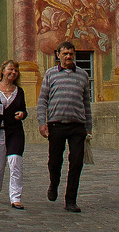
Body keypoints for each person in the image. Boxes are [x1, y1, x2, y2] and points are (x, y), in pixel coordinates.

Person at [36, 41, 92, 212]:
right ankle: (54, 183)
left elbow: (86, 103)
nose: (68, 56)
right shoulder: (50, 74)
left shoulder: (82, 75)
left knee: (76, 163)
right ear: (58, 55)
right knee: (54, 161)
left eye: (71, 53)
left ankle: (71, 200)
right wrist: (42, 123)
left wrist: (89, 128)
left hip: (77, 125)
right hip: (56, 124)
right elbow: (42, 100)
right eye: (65, 53)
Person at [0, 59, 28, 207]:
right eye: (10, 69)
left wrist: (22, 114)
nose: (13, 72)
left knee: (15, 163)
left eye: (16, 70)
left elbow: (24, 109)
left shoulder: (19, 91)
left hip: (15, 132)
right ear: (3, 71)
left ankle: (15, 198)